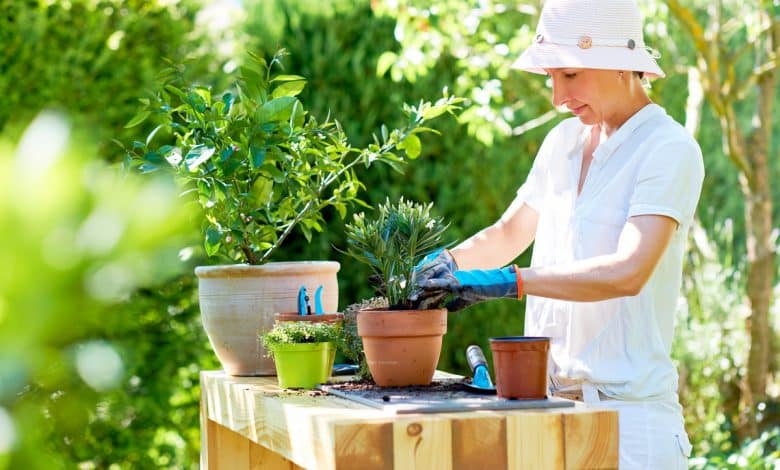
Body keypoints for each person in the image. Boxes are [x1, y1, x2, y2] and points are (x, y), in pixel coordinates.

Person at [413, 0, 704, 468]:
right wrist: (447, 264)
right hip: (545, 412)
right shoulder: (562, 143)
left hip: (627, 424)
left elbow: (629, 271)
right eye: (551, 77)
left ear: (621, 63)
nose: (556, 96)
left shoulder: (667, 149)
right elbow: (509, 232)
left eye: (568, 75)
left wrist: (513, 281)